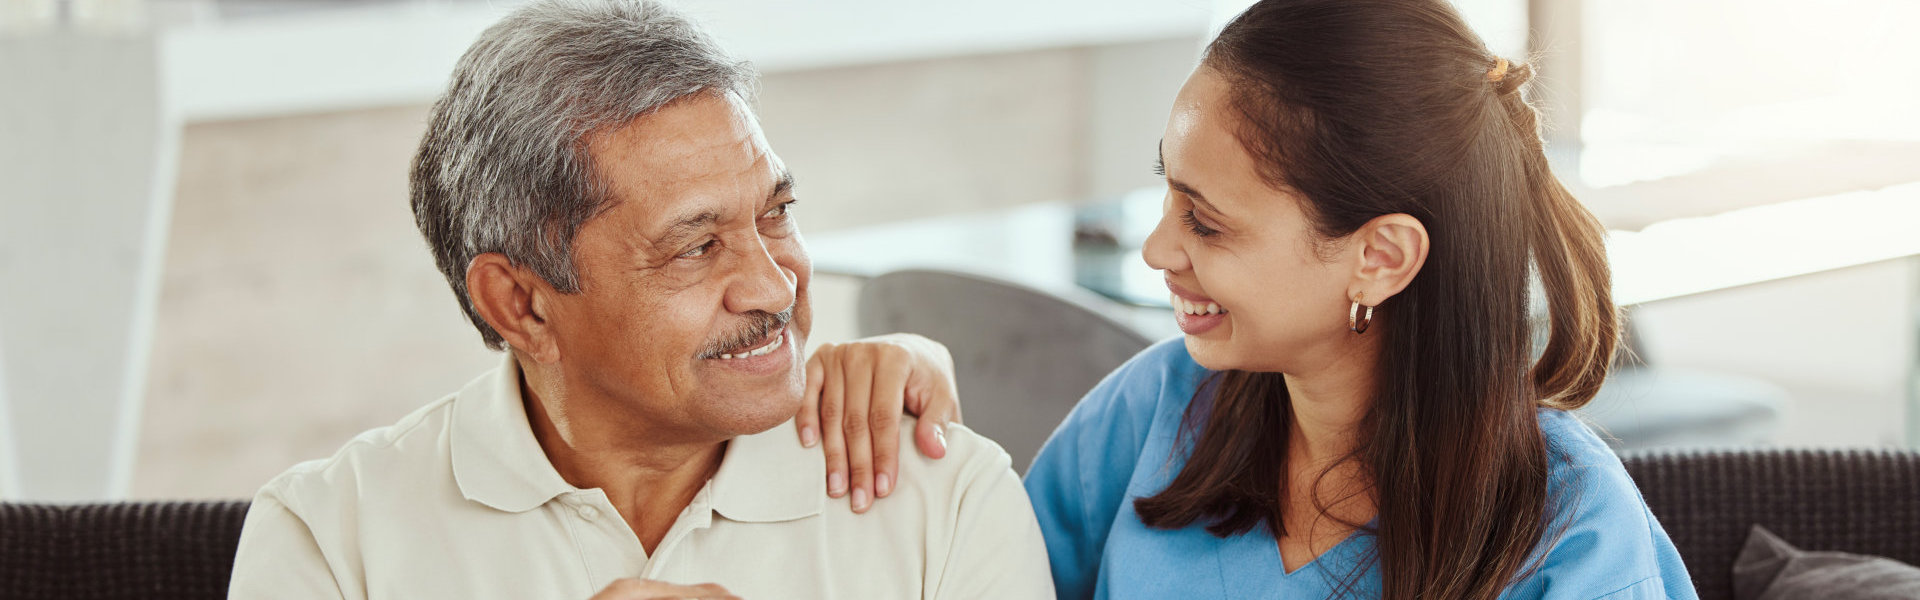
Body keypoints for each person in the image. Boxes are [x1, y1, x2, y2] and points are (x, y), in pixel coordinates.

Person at [816, 0, 1701, 597]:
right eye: (1167, 194)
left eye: (1207, 223)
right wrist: (916, 401)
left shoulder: (1570, 530)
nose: (1160, 250)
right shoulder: (1155, 407)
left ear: (1379, 258)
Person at [224, 1, 1051, 598]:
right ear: (521, 305)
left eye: (777, 215)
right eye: (696, 247)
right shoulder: (330, 537)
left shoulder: (947, 498)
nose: (774, 284)